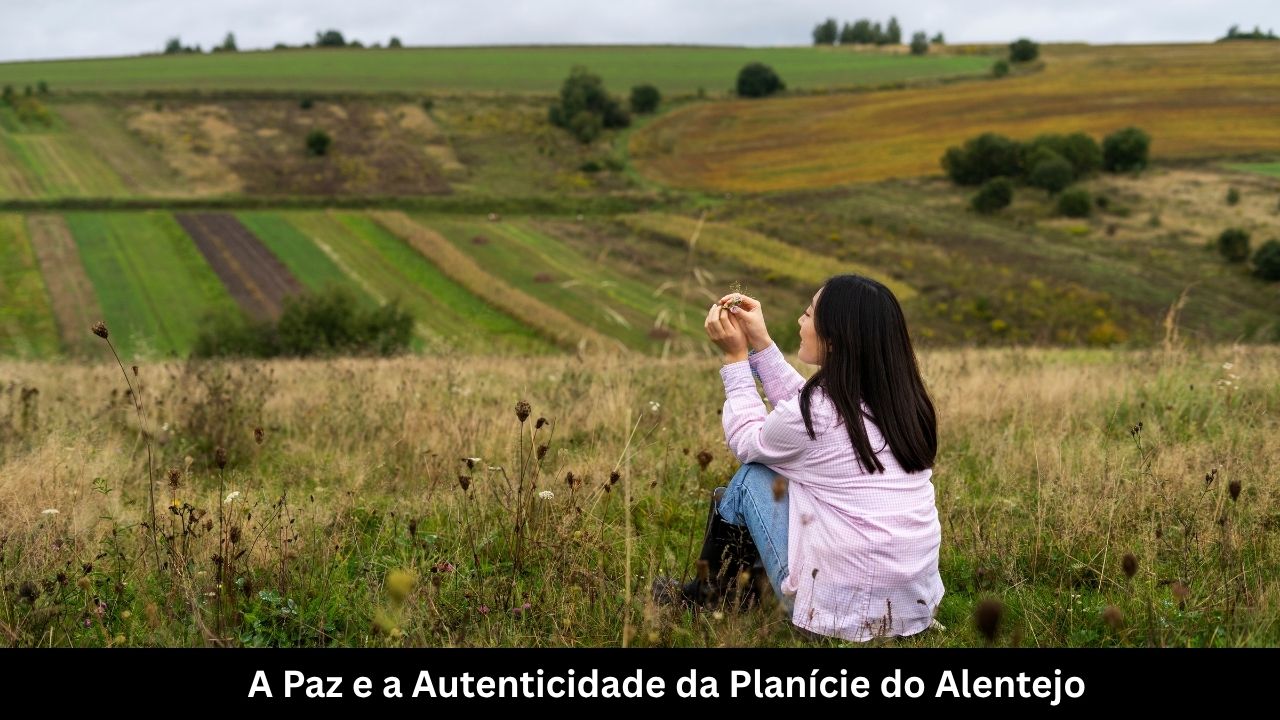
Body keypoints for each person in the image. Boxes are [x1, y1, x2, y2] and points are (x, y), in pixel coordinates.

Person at [653, 274, 944, 642]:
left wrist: (735, 359)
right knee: (781, 481)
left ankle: (706, 597)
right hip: (909, 608)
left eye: (808, 315)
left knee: (751, 477)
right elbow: (804, 410)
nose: (799, 323)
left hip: (837, 614)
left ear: (835, 340)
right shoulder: (904, 404)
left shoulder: (818, 412)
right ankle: (747, 587)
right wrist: (761, 343)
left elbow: (749, 440)